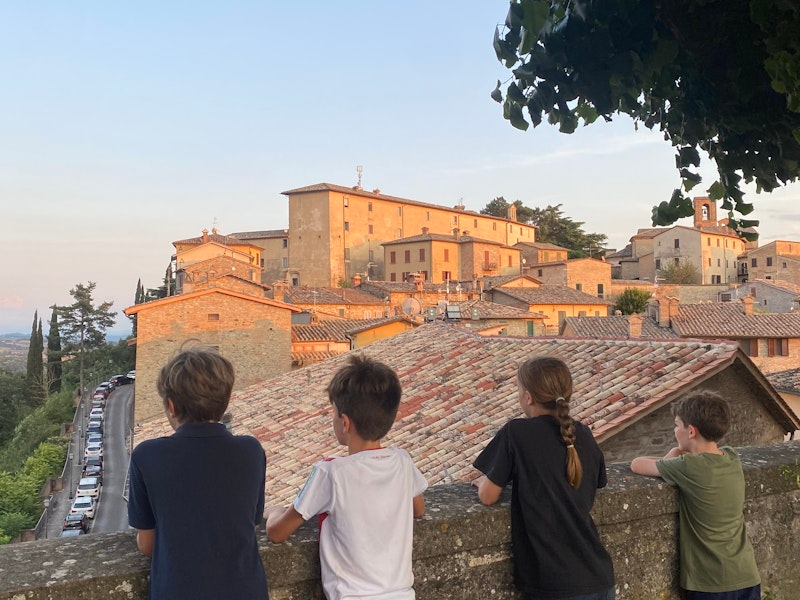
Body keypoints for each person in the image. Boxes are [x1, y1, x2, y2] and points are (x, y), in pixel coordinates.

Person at [266, 354, 427, 600]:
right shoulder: (403, 461)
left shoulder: (330, 472)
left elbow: (278, 533)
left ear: (344, 422)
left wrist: (274, 511)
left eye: (333, 415)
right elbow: (418, 509)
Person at [128, 346, 269, 600]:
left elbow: (146, 545)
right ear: (225, 402)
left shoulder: (146, 456)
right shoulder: (251, 451)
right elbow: (251, 522)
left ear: (171, 405)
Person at [473, 355, 615, 600]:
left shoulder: (517, 432)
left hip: (553, 584)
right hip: (599, 578)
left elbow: (488, 496)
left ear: (528, 396)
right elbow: (595, 482)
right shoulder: (583, 434)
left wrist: (484, 482)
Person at [630, 392, 761, 599]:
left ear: (690, 431)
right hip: (746, 575)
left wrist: (673, 453)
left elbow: (637, 464)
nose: (674, 430)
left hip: (709, 582)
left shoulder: (688, 466)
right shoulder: (732, 457)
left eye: (676, 425)